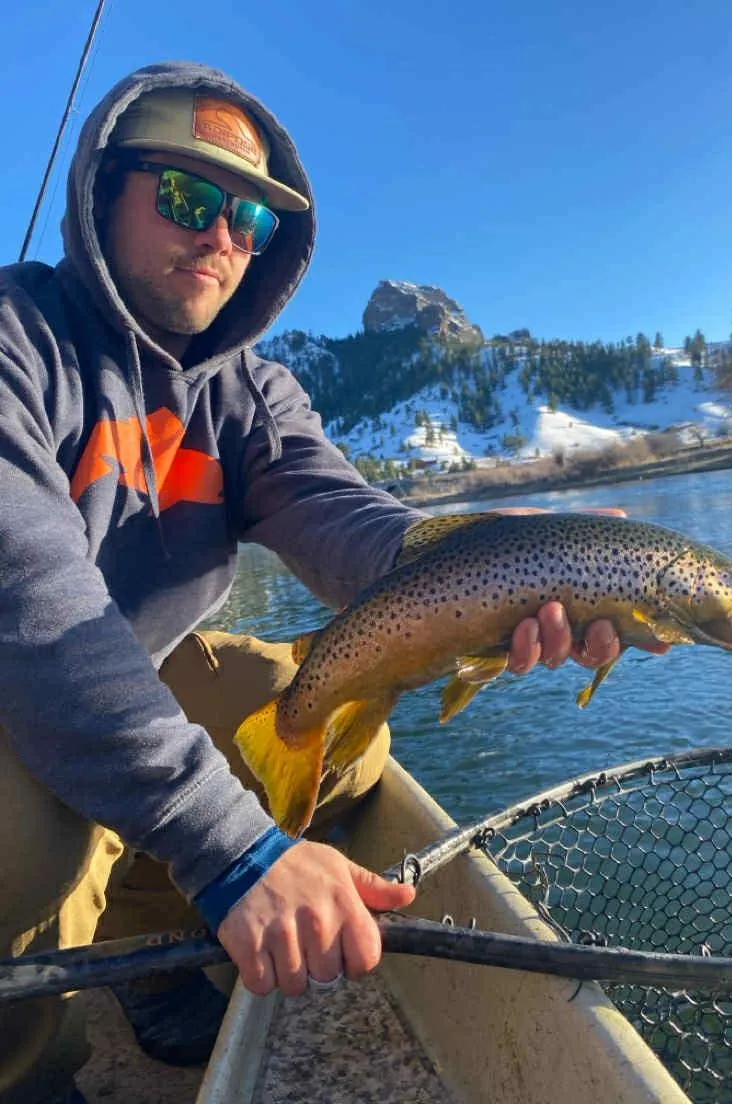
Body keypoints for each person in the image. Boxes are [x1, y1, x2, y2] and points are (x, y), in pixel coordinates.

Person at [0, 61, 665, 1104]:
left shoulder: (254, 392)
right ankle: (27, 1070)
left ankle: (145, 939)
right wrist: (232, 854)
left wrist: (480, 565)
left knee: (334, 737)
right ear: (102, 189)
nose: (223, 237)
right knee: (21, 838)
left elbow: (342, 515)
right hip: (16, 686)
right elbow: (40, 618)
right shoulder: (16, 343)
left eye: (251, 220)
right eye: (188, 197)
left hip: (134, 675)